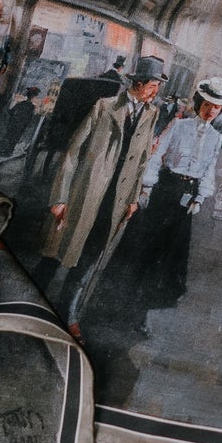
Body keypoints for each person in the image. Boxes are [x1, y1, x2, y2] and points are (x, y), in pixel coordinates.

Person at [46, 55, 166, 323]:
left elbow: (142, 160)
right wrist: (60, 197)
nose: (155, 92)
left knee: (91, 255)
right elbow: (72, 153)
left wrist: (133, 199)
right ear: (138, 84)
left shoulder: (151, 114)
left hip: (116, 198)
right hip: (87, 191)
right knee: (58, 249)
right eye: (153, 86)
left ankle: (67, 312)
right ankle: (35, 297)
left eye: (157, 87)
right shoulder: (105, 106)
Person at [131, 76, 222, 306]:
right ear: (199, 104)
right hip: (167, 187)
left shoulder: (216, 137)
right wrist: (147, 186)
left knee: (173, 248)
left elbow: (209, 168)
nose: (210, 111)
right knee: (150, 242)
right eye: (207, 105)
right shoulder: (179, 126)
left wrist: (200, 197)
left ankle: (153, 298)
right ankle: (134, 292)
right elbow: (157, 155)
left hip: (188, 193)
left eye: (216, 107)